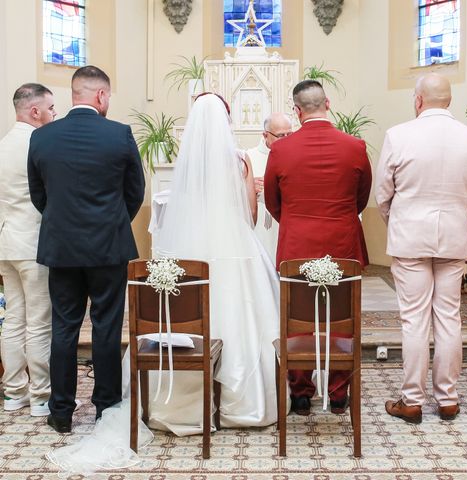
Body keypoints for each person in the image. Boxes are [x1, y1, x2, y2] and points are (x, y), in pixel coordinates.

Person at [27, 65, 146, 433]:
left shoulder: (42, 137)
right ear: (100, 96)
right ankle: (106, 407)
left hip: (61, 248)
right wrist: (110, 223)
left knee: (64, 327)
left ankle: (61, 411)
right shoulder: (119, 134)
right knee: (107, 327)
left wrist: (64, 225)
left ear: (73, 95)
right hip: (108, 248)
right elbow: (134, 192)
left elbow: (39, 195)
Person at [151, 93, 279, 430]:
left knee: (190, 315)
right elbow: (250, 216)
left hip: (191, 248)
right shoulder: (239, 161)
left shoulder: (188, 164)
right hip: (235, 247)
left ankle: (183, 404)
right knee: (242, 316)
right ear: (226, 121)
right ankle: (241, 405)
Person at [376, 74, 467, 424]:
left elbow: (383, 193)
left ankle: (411, 401)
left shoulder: (398, 135)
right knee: (449, 318)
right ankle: (448, 399)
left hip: (410, 237)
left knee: (414, 321)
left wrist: (398, 218)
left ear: (418, 100)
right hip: (452, 236)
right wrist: (453, 214)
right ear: (449, 101)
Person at [264, 79, 371, 416]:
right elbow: (361, 197)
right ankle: (339, 394)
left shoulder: (281, 150)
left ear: (297, 112)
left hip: (297, 243)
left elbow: (271, 200)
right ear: (328, 103)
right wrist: (338, 218)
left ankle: (300, 393)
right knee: (342, 318)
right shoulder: (355, 146)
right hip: (343, 241)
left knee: (299, 319)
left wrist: (296, 222)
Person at [0, 83, 56, 417]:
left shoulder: (3, 144)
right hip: (33, 243)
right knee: (38, 322)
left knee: (13, 321)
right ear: (34, 110)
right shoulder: (37, 144)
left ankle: (13, 392)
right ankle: (40, 397)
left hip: (6, 243)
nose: (52, 115)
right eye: (50, 109)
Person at [246, 112, 293, 262]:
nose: (286, 140)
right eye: (280, 136)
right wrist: (247, 185)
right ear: (265, 135)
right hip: (259, 224)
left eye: (289, 134)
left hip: (285, 222)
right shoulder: (249, 157)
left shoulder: (295, 156)